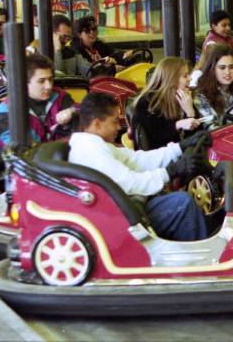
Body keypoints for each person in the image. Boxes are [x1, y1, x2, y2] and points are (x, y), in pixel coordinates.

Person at [69, 92, 213, 241]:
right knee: (183, 203)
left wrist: (180, 147)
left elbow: (137, 160)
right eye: (114, 122)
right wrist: (171, 171)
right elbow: (130, 183)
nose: (119, 127)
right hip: (120, 220)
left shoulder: (93, 144)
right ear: (97, 123)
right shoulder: (91, 150)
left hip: (126, 208)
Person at [0, 53, 77, 147]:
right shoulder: (7, 112)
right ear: (25, 82)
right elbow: (13, 149)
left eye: (50, 79)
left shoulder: (61, 97)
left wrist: (72, 111)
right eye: (41, 81)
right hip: (32, 159)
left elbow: (84, 113)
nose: (48, 86)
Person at [132, 57, 200, 149]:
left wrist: (190, 112)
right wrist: (177, 125)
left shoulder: (183, 98)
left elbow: (197, 139)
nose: (190, 78)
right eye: (185, 76)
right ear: (171, 79)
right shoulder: (147, 103)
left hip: (184, 156)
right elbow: (153, 141)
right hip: (159, 159)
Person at [72, 15, 137, 72]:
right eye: (87, 30)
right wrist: (111, 69)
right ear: (79, 34)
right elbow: (88, 70)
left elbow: (114, 54)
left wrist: (125, 54)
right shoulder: (76, 50)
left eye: (94, 29)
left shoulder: (100, 45)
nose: (92, 32)